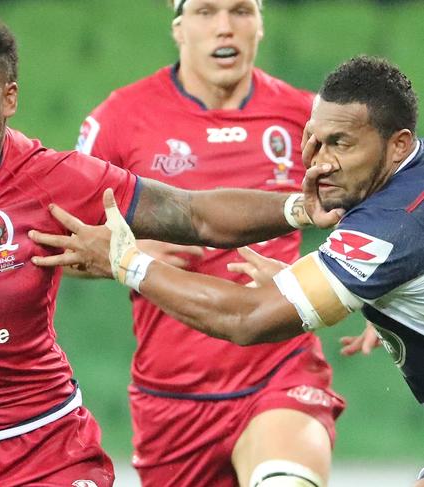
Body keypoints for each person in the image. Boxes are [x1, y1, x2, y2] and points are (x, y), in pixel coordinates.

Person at [0, 9, 338, 486]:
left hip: (42, 451)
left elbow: (193, 213)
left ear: (8, 98)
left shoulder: (52, 179)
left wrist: (299, 208)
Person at [30, 55, 424, 485]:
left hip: (275, 375)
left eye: (341, 144)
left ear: (399, 144)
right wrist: (386, 296)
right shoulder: (393, 193)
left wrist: (126, 262)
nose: (320, 162)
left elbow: (247, 318)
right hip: (171, 403)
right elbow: (195, 216)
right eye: (315, 141)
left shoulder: (390, 226)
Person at [73, 0, 342, 485]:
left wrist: (377, 300)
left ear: (260, 25)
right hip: (172, 400)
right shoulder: (121, 118)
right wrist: (128, 254)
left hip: (279, 371)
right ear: (178, 28)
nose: (225, 27)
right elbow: (62, 238)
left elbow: (373, 219)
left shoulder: (307, 118)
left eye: (241, 11)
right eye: (205, 12)